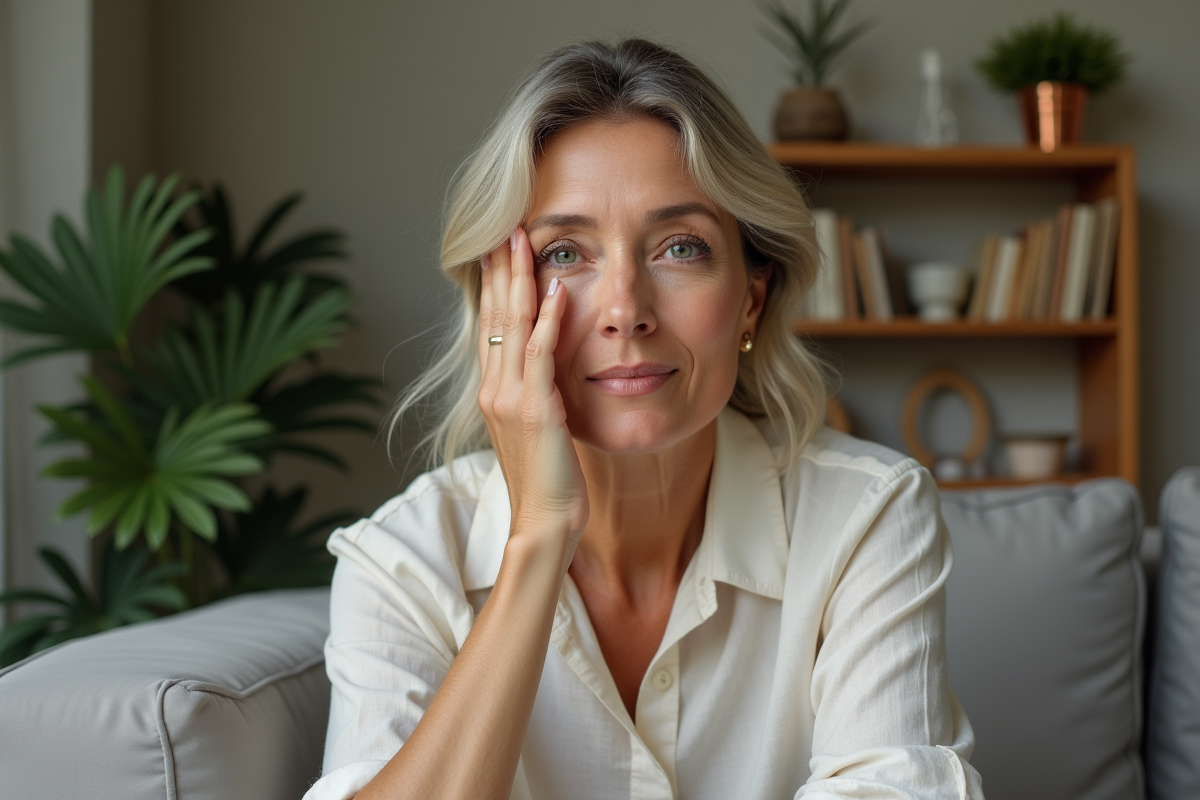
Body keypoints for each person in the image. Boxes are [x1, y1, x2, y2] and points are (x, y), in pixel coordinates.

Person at [305, 39, 983, 800]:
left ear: (751, 299)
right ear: (503, 308)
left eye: (680, 247)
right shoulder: (401, 563)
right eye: (565, 254)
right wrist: (536, 543)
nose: (626, 310)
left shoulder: (866, 517)